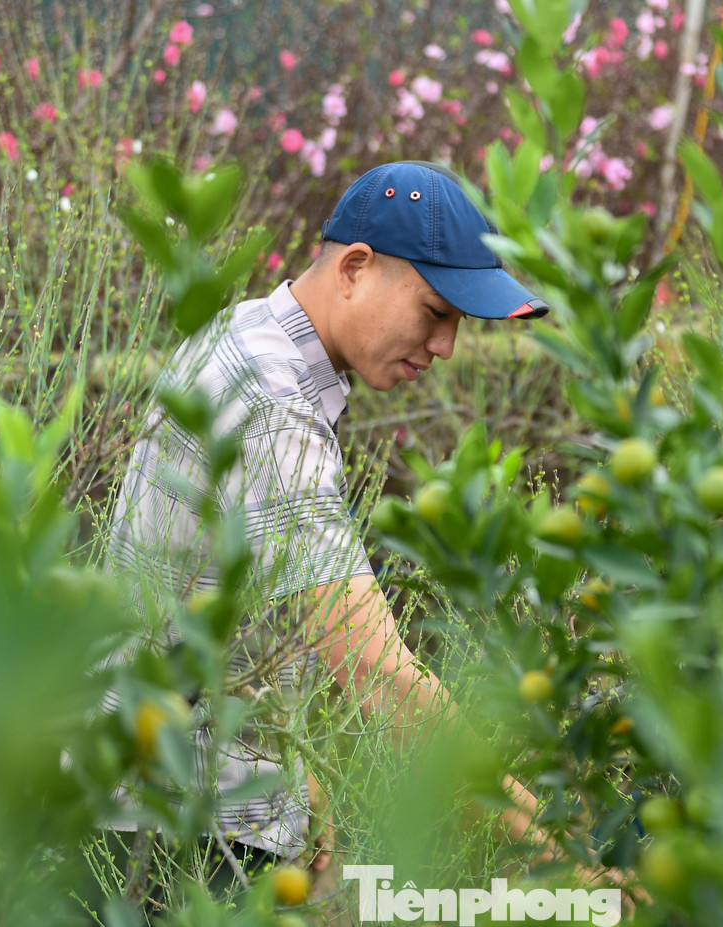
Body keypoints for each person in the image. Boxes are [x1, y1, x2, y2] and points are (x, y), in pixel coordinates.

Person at [99, 161, 560, 899]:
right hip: (182, 838)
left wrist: (291, 775)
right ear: (354, 268)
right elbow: (378, 674)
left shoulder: (241, 332)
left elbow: (209, 597)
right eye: (437, 311)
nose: (446, 348)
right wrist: (557, 852)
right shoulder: (277, 405)